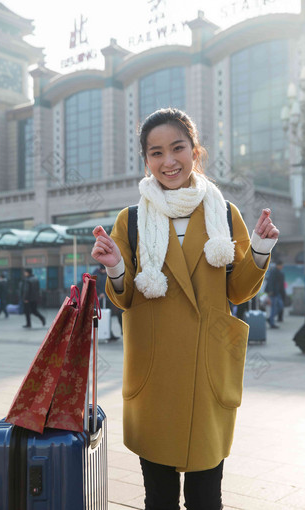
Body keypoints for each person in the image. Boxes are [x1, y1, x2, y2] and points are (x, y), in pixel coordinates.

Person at [91, 108, 279, 509]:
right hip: (155, 374)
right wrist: (116, 267)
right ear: (146, 161)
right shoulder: (133, 220)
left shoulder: (224, 214)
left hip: (206, 371)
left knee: (207, 497)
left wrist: (260, 249)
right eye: (156, 152)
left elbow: (238, 289)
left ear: (196, 152)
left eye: (178, 148)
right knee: (158, 497)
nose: (168, 160)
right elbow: (123, 296)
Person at [94, 264, 123, 340]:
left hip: (109, 299)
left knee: (109, 316)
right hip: (100, 300)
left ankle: (109, 333)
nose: (104, 271)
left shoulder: (107, 273)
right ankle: (103, 333)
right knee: (102, 317)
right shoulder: (96, 274)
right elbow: (94, 286)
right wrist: (100, 293)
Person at [266, 261, 285, 329]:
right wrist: (270, 291)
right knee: (274, 308)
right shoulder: (274, 272)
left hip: (277, 292)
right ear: (278, 265)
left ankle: (270, 318)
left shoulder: (279, 272)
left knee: (280, 306)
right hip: (273, 293)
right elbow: (270, 281)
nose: (282, 267)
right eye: (281, 265)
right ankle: (272, 323)